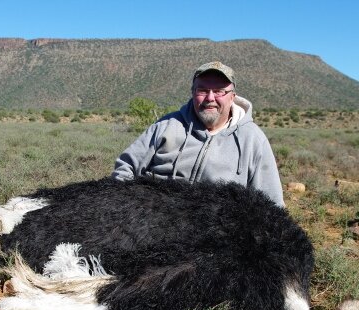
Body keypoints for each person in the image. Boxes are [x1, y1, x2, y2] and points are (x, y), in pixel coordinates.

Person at [112, 61, 285, 207]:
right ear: (193, 93)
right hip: (153, 223)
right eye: (202, 90)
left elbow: (271, 205)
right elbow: (125, 169)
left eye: (219, 91)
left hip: (214, 235)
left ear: (232, 97)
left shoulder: (253, 139)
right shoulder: (166, 126)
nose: (210, 98)